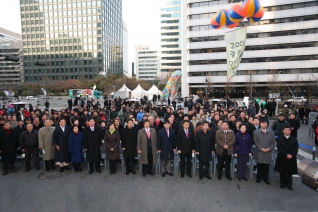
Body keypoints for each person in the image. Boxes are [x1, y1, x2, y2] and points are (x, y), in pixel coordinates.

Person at [274, 126, 299, 191]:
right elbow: (279, 148)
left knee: (290, 172)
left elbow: (296, 149)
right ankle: (282, 183)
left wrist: (292, 155)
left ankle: (289, 184)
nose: (287, 131)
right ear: (283, 131)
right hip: (282, 157)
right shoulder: (280, 138)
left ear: (290, 131)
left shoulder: (294, 139)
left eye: (289, 130)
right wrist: (286, 154)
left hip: (291, 157)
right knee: (282, 171)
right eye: (286, 130)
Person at [254, 119, 275, 185]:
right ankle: (259, 177)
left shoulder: (271, 133)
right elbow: (256, 141)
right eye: (262, 123)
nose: (264, 124)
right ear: (260, 124)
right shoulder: (256, 132)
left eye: (265, 123)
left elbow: (273, 142)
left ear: (267, 124)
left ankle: (265, 178)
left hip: (268, 152)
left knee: (266, 166)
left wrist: (269, 148)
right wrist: (261, 148)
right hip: (260, 151)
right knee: (259, 165)